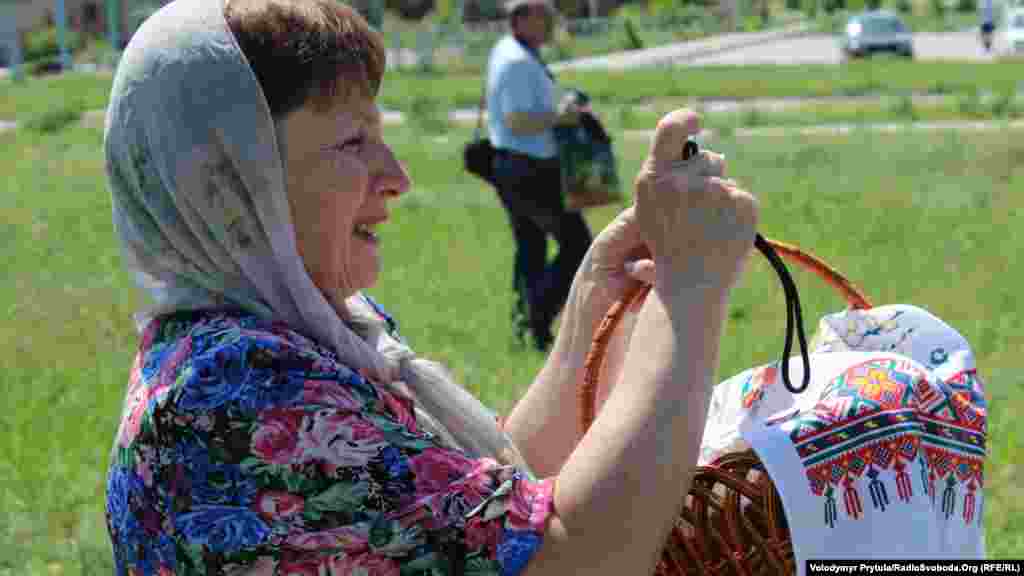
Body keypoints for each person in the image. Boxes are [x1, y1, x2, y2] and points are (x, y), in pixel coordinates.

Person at [102, 0, 753, 573]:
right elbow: (570, 558)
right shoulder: (231, 391)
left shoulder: (304, 334)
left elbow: (478, 515)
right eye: (353, 143)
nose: (396, 176)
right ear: (228, 185)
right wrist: (690, 290)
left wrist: (590, 306)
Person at [485, 0, 593, 351]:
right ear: (521, 18)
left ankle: (528, 328)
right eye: (543, 16)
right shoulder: (516, 60)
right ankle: (538, 316)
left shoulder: (509, 49)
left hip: (513, 165)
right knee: (578, 245)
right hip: (529, 169)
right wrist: (562, 116)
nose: (550, 22)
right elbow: (518, 119)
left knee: (530, 245)